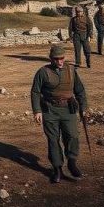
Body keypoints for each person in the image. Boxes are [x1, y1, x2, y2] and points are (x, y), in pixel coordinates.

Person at [30, 44, 88, 183]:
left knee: (73, 136)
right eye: (56, 59)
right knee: (53, 140)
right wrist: (37, 111)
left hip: (69, 109)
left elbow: (79, 90)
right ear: (51, 59)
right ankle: (57, 169)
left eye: (62, 58)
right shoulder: (43, 72)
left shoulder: (71, 70)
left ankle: (72, 162)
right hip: (49, 110)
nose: (60, 61)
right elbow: (35, 92)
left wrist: (83, 108)